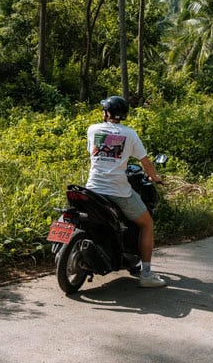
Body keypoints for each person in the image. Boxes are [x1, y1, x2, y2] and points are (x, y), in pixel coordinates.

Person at [86, 95, 167, 288]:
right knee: (147, 223)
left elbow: (94, 154)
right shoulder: (129, 134)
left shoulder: (93, 129)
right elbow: (145, 162)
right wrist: (155, 177)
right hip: (118, 191)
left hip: (92, 189)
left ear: (106, 113)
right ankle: (146, 275)